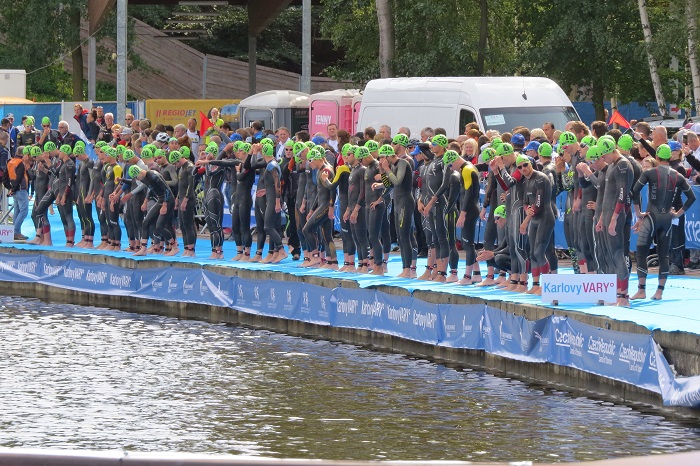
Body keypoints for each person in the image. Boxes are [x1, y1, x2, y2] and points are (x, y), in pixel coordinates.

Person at [630, 144, 695, 301]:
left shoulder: (651, 173)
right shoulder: (677, 175)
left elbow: (635, 190)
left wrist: (638, 212)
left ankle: (641, 290)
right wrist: (678, 214)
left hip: (651, 217)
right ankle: (659, 292)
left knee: (641, 252)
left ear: (657, 158)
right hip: (667, 219)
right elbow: (692, 197)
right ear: (670, 157)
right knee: (664, 255)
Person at [595, 136, 633, 307]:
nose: (603, 160)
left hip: (616, 216)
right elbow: (606, 197)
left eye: (604, 156)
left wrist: (614, 219)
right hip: (608, 214)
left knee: (618, 254)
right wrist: (602, 218)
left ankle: (623, 296)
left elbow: (622, 195)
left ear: (611, 151)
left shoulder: (623, 165)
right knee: (610, 255)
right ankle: (616, 292)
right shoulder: (612, 166)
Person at [381, 140, 417, 278]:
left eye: (383, 158)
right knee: (400, 238)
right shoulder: (393, 166)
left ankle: (408, 269)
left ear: (388, 156)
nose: (382, 160)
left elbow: (397, 181)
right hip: (398, 203)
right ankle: (406, 268)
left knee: (405, 236)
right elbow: (388, 184)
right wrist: (383, 171)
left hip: (405, 203)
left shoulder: (402, 163)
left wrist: (388, 169)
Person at [302, 147, 337, 269]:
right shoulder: (319, 171)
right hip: (322, 204)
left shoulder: (326, 171)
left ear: (316, 159)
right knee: (327, 235)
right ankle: (333, 262)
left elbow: (333, 190)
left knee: (306, 229)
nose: (309, 164)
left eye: (310, 161)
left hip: (326, 206)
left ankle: (315, 257)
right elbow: (319, 192)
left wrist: (331, 207)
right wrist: (312, 209)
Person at [130, 165, 176, 257]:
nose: (137, 179)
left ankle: (174, 247)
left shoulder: (153, 175)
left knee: (160, 226)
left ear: (139, 172)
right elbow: (151, 190)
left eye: (136, 177)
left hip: (168, 200)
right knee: (145, 222)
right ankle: (143, 249)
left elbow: (167, 190)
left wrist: (165, 205)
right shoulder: (143, 179)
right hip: (160, 200)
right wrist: (146, 201)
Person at [7, 144, 29, 241]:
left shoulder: (11, 161)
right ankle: (16, 231)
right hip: (20, 189)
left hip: (15, 189)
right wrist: (14, 188)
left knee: (17, 211)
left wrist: (10, 188)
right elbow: (20, 177)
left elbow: (6, 176)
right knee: (24, 211)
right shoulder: (20, 163)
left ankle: (15, 231)